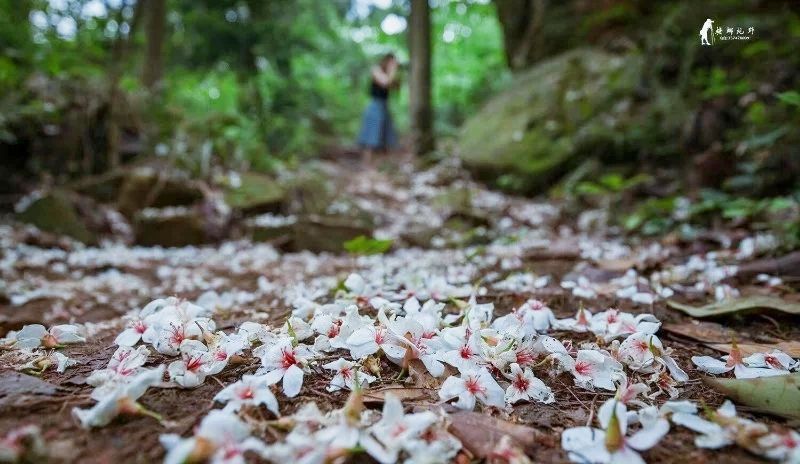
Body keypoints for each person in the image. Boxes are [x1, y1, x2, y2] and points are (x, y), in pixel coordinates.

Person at [357, 53, 399, 166]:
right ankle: (367, 166)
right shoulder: (376, 69)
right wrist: (392, 70)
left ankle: (382, 167)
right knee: (371, 136)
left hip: (385, 106)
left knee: (385, 137)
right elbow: (385, 83)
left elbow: (395, 88)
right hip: (375, 105)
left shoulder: (390, 73)